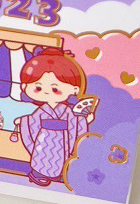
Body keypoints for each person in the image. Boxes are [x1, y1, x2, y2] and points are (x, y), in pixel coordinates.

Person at [17, 47, 95, 187]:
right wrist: (24, 121)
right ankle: (39, 173)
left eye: (55, 89)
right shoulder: (42, 111)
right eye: (38, 88)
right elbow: (32, 122)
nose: (47, 92)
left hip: (62, 138)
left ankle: (59, 173)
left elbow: (75, 122)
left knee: (60, 155)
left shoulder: (66, 111)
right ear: (24, 87)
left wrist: (84, 120)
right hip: (43, 138)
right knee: (42, 156)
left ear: (74, 89)